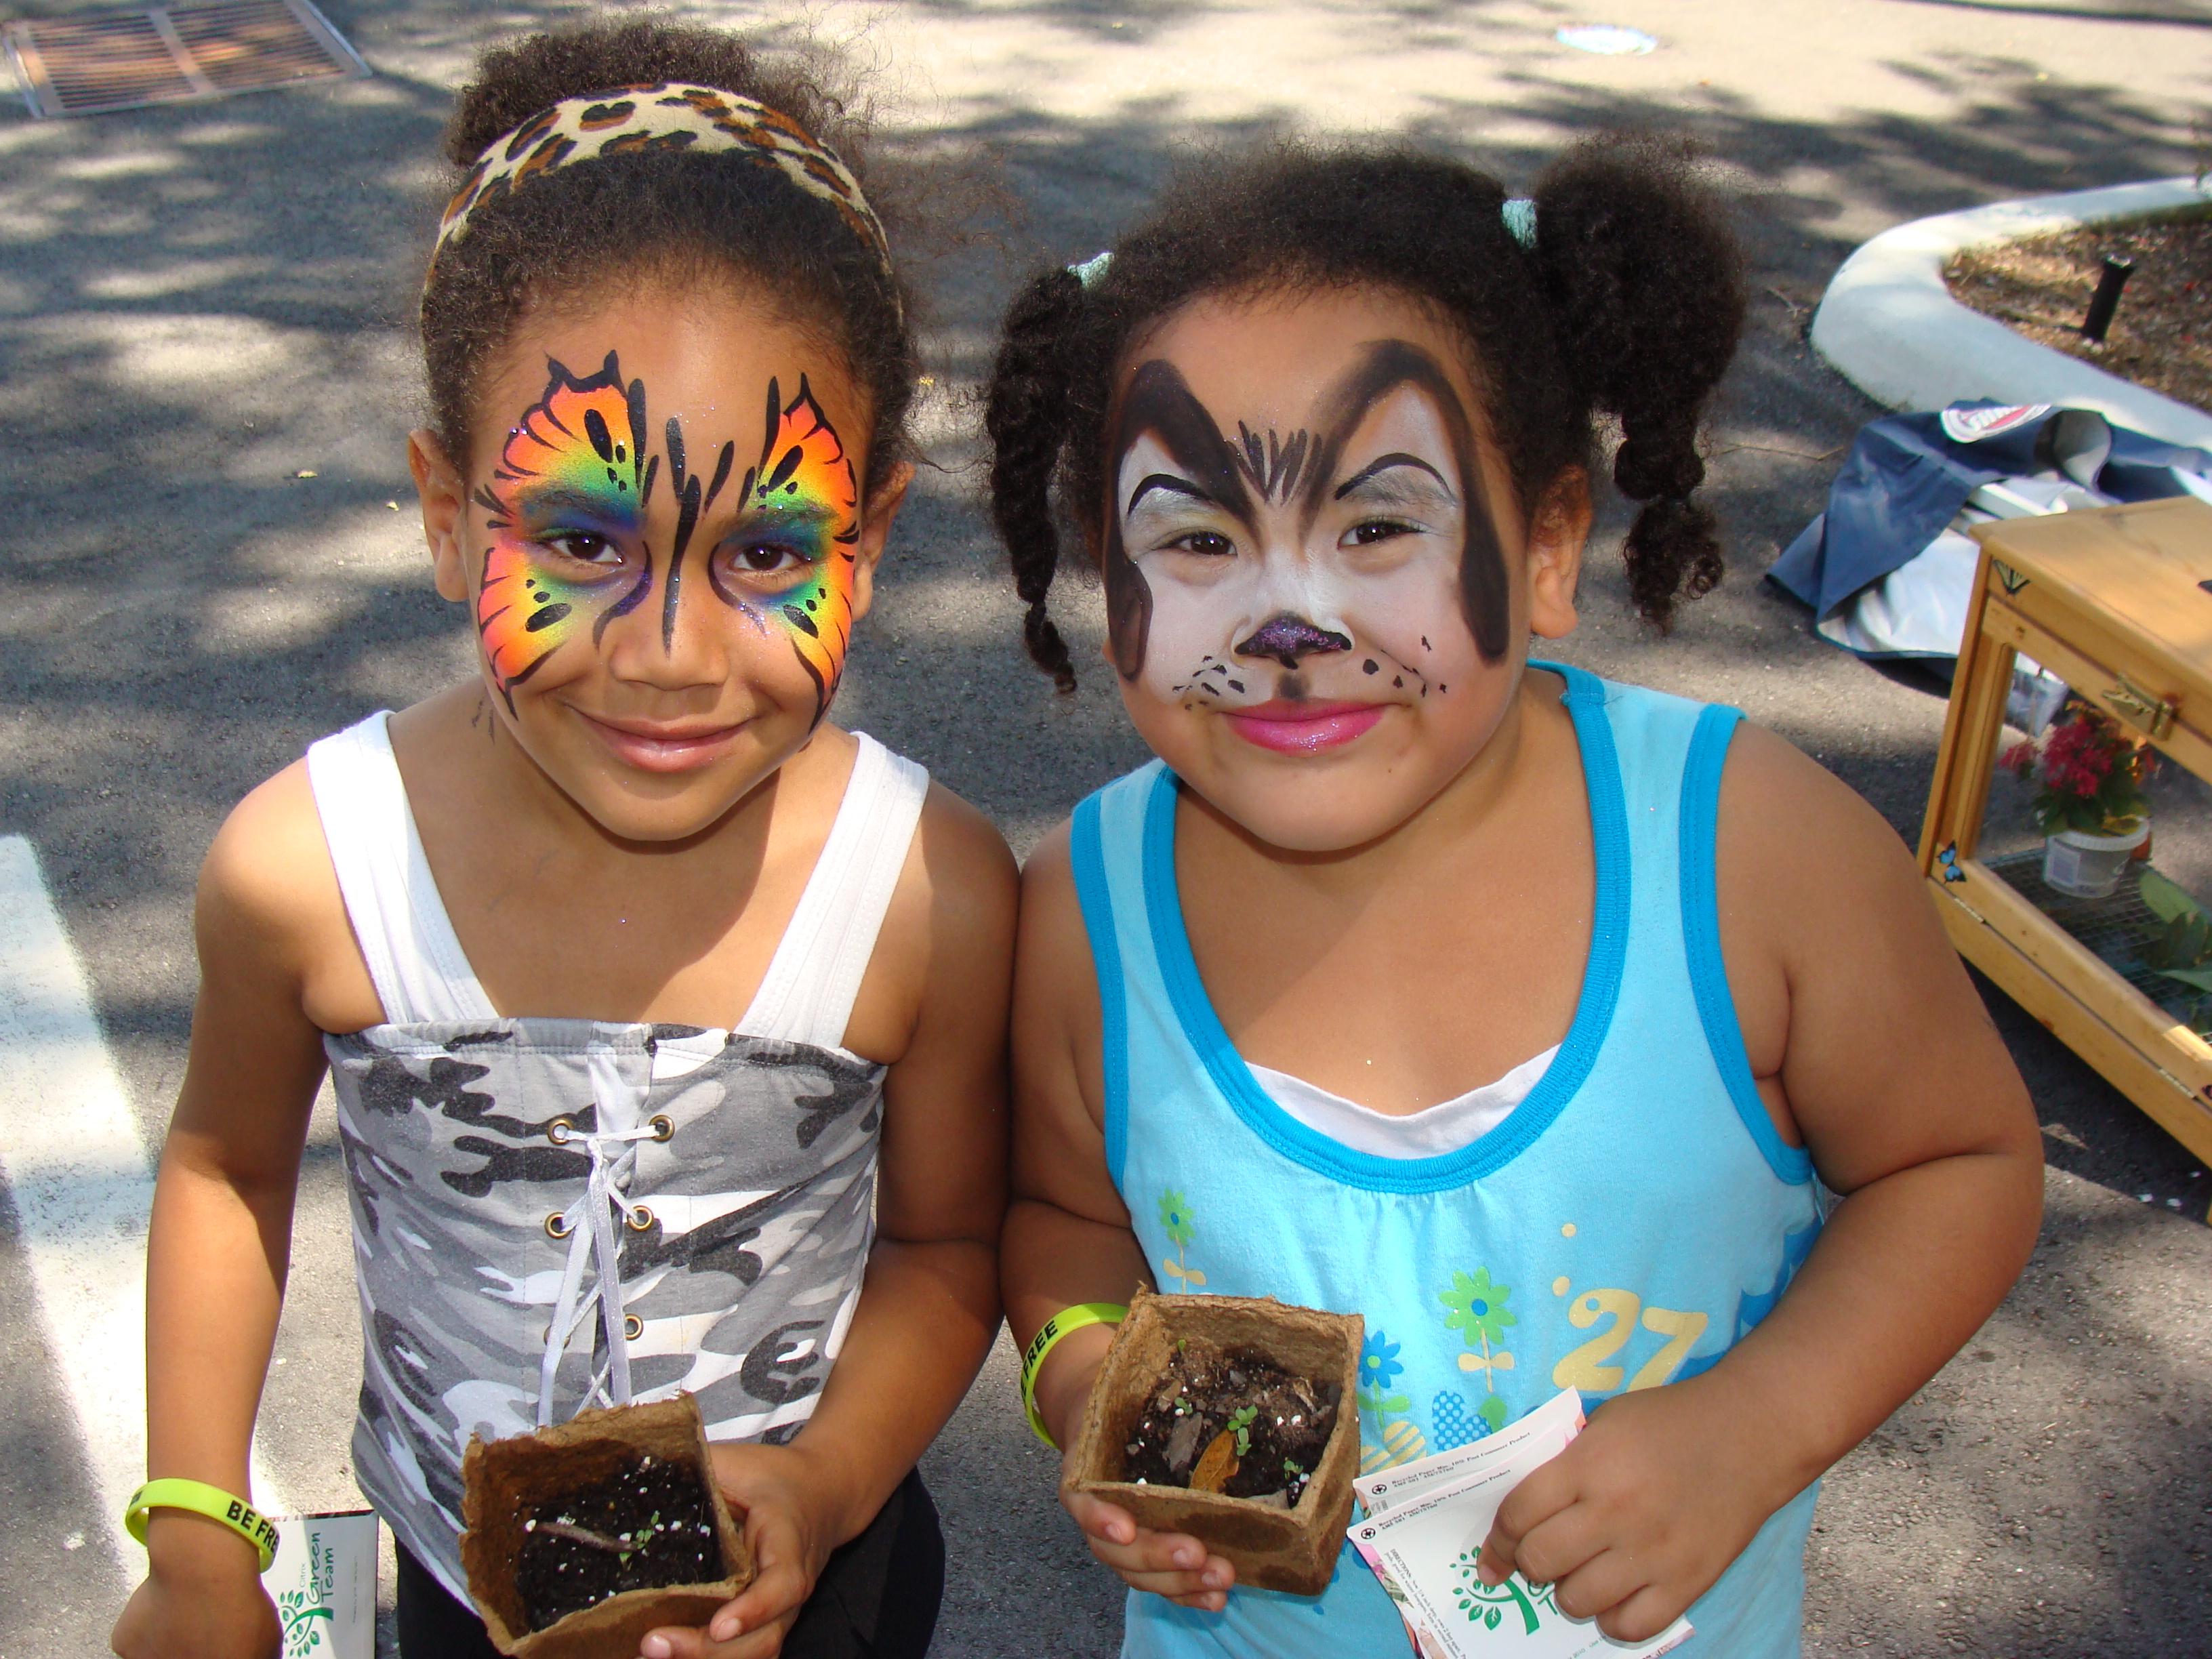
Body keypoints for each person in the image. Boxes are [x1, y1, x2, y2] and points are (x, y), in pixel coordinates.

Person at [985, 136, 2043, 1658]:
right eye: (1200, 539)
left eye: (1375, 526)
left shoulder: (1752, 854)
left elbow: (1960, 1162)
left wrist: (1755, 1430)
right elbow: (1062, 1218)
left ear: (1548, 548)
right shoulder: (1085, 911)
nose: (1291, 620)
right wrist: (1087, 1382)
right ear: (1110, 572)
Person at [110, 19, 1013, 1659]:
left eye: (766, 548)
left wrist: (824, 1481)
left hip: (819, 1592)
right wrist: (195, 1531)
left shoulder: (922, 890)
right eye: (585, 537)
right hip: (462, 1599)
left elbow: (951, 1244)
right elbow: (225, 1170)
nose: (670, 654)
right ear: (453, 517)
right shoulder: (311, 868)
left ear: (870, 538)